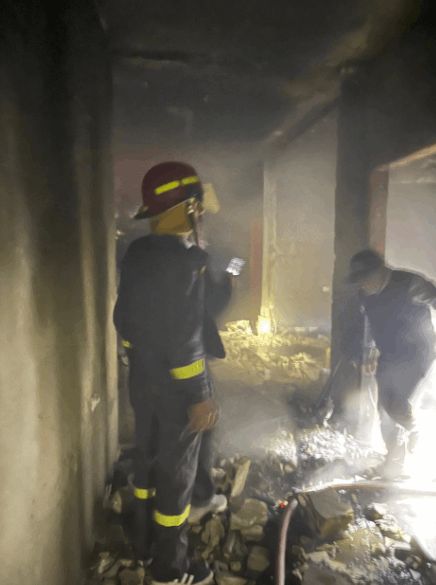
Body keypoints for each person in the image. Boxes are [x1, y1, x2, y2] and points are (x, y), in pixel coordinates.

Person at [114, 162, 231, 585]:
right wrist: (199, 394)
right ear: (188, 206)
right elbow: (185, 339)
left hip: (142, 378)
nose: (202, 212)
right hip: (178, 387)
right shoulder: (184, 263)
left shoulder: (137, 254)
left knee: (146, 456)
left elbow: (123, 318)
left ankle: (142, 540)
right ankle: (169, 569)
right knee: (176, 475)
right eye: (197, 205)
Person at [345, 249, 436, 477]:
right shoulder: (365, 294)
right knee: (385, 406)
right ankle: (395, 464)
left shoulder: (409, 284)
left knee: (398, 403)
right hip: (389, 353)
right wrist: (364, 352)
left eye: (365, 278)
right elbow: (366, 324)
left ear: (379, 271)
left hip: (417, 353)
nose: (362, 284)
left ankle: (416, 431)